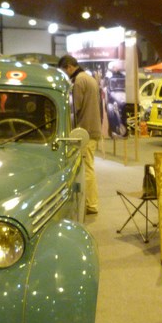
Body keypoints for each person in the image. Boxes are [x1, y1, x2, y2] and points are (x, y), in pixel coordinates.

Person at [58, 54, 102, 215]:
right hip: (92, 129)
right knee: (88, 166)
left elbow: (74, 109)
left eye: (64, 71)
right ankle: (90, 202)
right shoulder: (89, 78)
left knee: (87, 168)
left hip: (85, 132)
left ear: (69, 67)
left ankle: (91, 204)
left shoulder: (79, 81)